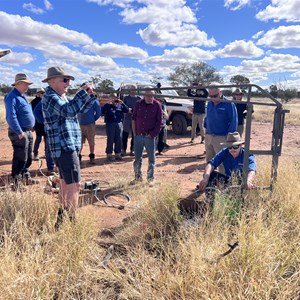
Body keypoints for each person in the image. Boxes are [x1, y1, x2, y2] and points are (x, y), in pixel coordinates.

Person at [41, 66, 97, 228]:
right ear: (52, 81)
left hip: (66, 146)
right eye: (64, 80)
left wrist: (90, 96)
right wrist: (82, 92)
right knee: (74, 184)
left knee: (66, 184)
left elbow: (79, 110)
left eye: (69, 80)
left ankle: (61, 219)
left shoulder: (60, 96)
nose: (68, 83)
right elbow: (69, 111)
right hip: (64, 147)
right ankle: (72, 221)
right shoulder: (51, 97)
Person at [4, 73, 39, 191]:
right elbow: (11, 117)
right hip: (19, 132)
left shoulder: (22, 96)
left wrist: (31, 126)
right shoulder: (11, 97)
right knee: (20, 158)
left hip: (27, 131)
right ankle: (16, 182)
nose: (28, 86)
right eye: (26, 83)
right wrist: (19, 132)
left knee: (28, 157)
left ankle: (25, 176)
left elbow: (26, 113)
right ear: (18, 84)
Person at [198, 132, 256, 197]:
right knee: (210, 175)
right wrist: (205, 179)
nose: (232, 149)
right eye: (229, 147)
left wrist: (248, 181)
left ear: (241, 145)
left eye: (235, 146)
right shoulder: (224, 152)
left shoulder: (247, 154)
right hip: (229, 180)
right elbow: (211, 164)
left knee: (241, 199)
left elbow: (252, 170)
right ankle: (210, 202)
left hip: (243, 183)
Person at [131, 87, 162, 185]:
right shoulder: (138, 104)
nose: (150, 97)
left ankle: (150, 179)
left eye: (152, 95)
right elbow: (133, 119)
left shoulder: (157, 105)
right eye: (148, 95)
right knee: (137, 158)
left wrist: (152, 134)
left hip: (150, 136)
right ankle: (137, 177)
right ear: (144, 95)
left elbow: (159, 122)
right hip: (138, 136)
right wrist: (134, 133)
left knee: (151, 159)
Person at [204, 84, 238, 174]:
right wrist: (205, 129)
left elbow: (234, 121)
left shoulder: (229, 104)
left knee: (222, 163)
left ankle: (222, 184)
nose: (213, 98)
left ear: (220, 92)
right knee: (209, 161)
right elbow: (207, 117)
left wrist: (229, 138)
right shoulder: (210, 103)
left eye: (215, 96)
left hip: (222, 138)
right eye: (210, 96)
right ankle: (211, 181)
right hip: (209, 136)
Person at [102, 93, 129, 161]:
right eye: (112, 97)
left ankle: (118, 154)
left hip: (119, 123)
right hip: (110, 124)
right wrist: (108, 103)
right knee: (110, 139)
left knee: (119, 139)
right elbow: (102, 111)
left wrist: (122, 103)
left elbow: (126, 110)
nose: (114, 99)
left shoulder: (120, 105)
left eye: (115, 97)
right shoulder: (108, 105)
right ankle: (109, 154)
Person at [33, 100, 55, 175]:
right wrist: (43, 121)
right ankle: (51, 168)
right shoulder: (46, 99)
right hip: (49, 129)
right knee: (49, 149)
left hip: (62, 129)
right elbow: (36, 111)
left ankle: (59, 167)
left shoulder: (65, 98)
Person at [78, 97, 101, 164]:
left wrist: (92, 119)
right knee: (79, 142)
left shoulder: (93, 101)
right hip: (80, 124)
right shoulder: (79, 99)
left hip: (90, 124)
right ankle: (78, 157)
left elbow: (98, 112)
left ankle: (92, 156)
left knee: (91, 141)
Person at [122, 85, 141, 156]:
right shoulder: (126, 98)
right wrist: (128, 110)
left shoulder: (139, 98)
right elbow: (123, 107)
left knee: (134, 135)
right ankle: (123, 149)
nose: (133, 91)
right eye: (132, 89)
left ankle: (132, 149)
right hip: (127, 119)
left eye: (135, 89)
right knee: (125, 135)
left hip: (135, 120)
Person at [30, 87, 46, 160]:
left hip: (46, 123)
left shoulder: (46, 100)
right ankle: (35, 153)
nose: (43, 94)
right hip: (38, 123)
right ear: (37, 94)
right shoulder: (33, 102)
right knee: (38, 138)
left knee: (47, 139)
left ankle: (47, 153)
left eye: (43, 92)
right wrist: (32, 125)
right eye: (41, 93)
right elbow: (32, 114)